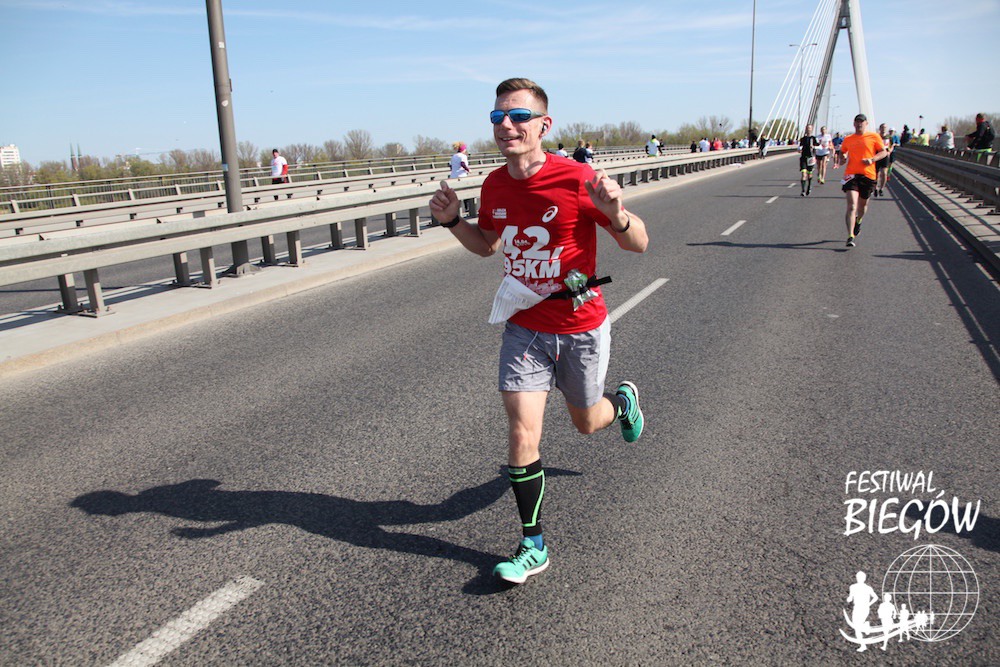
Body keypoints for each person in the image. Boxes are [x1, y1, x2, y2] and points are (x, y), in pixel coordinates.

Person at [427, 77, 649, 585]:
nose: (506, 125)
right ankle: (533, 545)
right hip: (524, 325)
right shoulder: (494, 185)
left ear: (544, 125)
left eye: (519, 116)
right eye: (498, 117)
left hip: (580, 325)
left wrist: (615, 214)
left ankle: (622, 403)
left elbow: (638, 243)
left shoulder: (576, 178)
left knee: (587, 422)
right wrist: (453, 222)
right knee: (522, 431)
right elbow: (487, 246)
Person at [839, 113, 888, 248]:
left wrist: (872, 160)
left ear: (866, 124)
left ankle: (859, 220)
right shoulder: (848, 139)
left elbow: (883, 152)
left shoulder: (874, 137)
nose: (859, 124)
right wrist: (842, 157)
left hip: (868, 175)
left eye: (862, 121)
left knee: (862, 207)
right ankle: (850, 236)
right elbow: (842, 152)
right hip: (851, 175)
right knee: (852, 206)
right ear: (853, 124)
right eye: (857, 121)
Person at [847, 571, 879, 652]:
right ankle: (863, 643)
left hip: (863, 608)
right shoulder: (853, 587)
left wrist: (869, 604)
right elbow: (851, 597)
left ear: (864, 578)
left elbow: (875, 597)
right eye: (858, 577)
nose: (859, 579)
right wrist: (849, 599)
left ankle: (865, 627)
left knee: (857, 627)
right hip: (857, 607)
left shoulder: (867, 588)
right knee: (856, 627)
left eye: (861, 577)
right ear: (856, 578)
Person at [797, 123, 819, 196]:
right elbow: (799, 147)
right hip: (803, 158)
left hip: (811, 158)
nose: (808, 130)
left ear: (811, 129)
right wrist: (799, 149)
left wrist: (814, 147)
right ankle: (803, 190)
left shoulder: (814, 138)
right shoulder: (802, 139)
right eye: (807, 128)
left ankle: (809, 187)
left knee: (809, 174)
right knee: (803, 174)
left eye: (809, 128)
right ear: (805, 129)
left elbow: (820, 147)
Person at [874, 123, 892, 197]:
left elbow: (891, 145)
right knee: (876, 174)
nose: (883, 129)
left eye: (885, 127)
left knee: (884, 173)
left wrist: (889, 151)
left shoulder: (889, 137)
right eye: (882, 127)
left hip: (885, 156)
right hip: (877, 156)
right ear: (880, 128)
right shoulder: (876, 136)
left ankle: (881, 188)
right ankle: (875, 188)